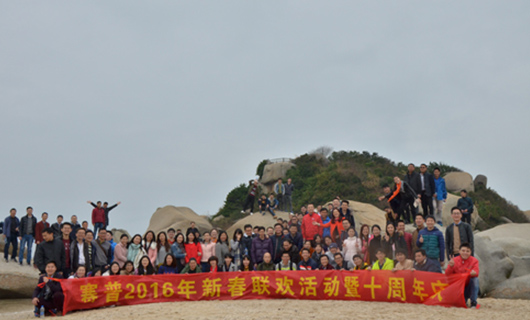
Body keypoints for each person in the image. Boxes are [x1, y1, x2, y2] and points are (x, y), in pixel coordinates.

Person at [445, 243, 480, 308]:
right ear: (459, 251)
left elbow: (476, 272)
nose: (465, 253)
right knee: (461, 303)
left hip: (468, 286)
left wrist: (473, 273)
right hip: (458, 287)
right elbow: (447, 274)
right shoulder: (454, 260)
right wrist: (451, 266)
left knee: (475, 280)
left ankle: (473, 302)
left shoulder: (474, 260)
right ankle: (463, 299)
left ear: (470, 252)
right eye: (463, 251)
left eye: (467, 251)